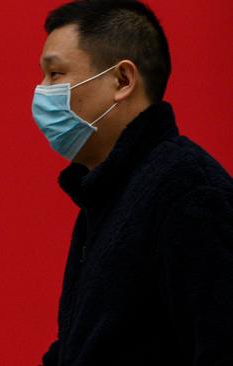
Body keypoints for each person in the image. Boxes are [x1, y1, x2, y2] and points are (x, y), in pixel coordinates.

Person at [30, 1, 233, 365]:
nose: (41, 91)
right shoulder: (107, 193)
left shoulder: (186, 189)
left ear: (122, 80)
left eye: (55, 74)